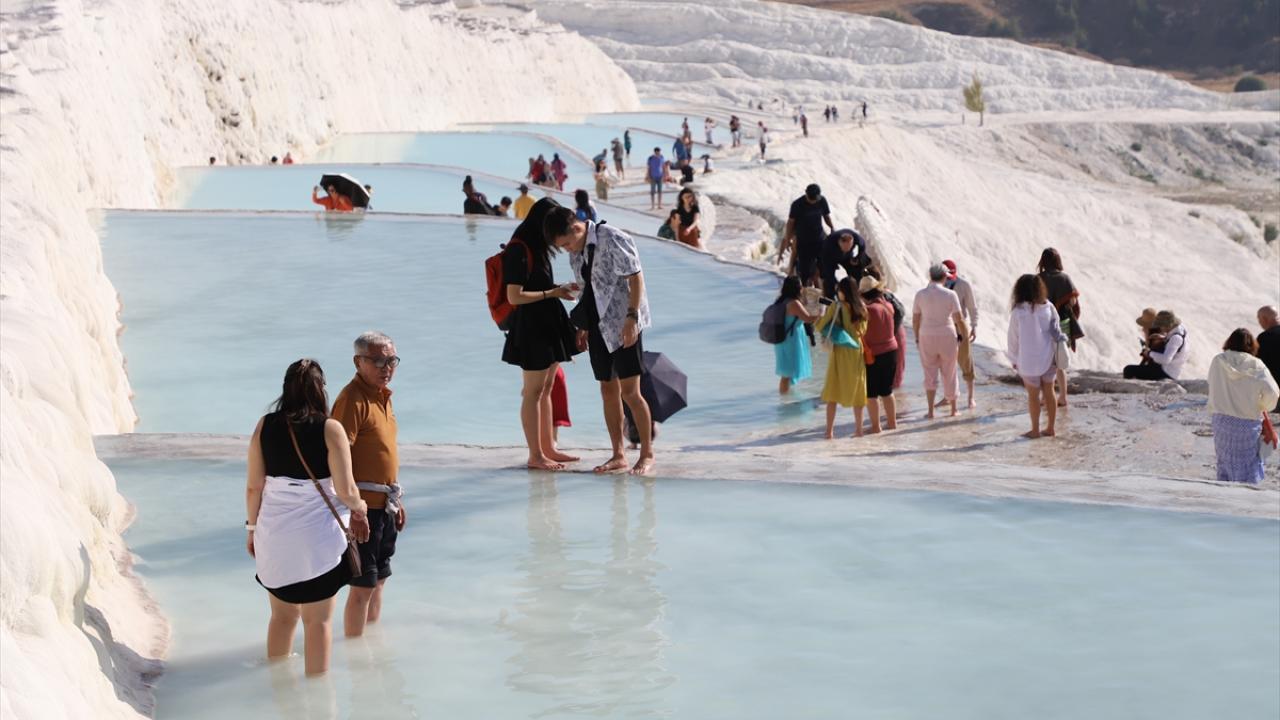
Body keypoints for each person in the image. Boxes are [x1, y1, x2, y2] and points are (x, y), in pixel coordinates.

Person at [245, 359, 371, 676]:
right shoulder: (330, 428)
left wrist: (252, 530)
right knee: (318, 623)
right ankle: (319, 700)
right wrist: (361, 507)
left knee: (282, 618)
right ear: (320, 390)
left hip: (274, 537)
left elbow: (253, 487)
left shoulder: (265, 425)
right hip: (320, 545)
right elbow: (346, 489)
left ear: (286, 389)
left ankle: (279, 691)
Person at [545, 206, 655, 475]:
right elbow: (586, 288)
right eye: (563, 248)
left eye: (568, 243)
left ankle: (647, 454)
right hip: (597, 327)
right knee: (607, 390)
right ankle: (618, 454)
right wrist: (583, 326)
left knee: (631, 393)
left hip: (623, 323)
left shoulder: (612, 237)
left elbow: (636, 277)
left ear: (577, 227)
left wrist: (631, 318)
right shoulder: (575, 253)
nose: (568, 250)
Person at [331, 332, 405, 638]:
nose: (385, 367)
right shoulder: (352, 399)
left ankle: (370, 648)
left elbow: (382, 455)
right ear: (357, 362)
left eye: (390, 360)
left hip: (384, 507)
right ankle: (353, 656)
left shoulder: (383, 396)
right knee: (362, 587)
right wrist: (355, 512)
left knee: (379, 581)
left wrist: (396, 500)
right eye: (376, 360)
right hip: (362, 513)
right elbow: (337, 457)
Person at [501, 198, 581, 471]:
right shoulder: (519, 248)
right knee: (533, 391)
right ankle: (535, 454)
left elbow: (537, 285)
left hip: (547, 320)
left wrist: (558, 288)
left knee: (546, 388)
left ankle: (549, 448)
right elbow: (514, 296)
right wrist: (552, 292)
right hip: (531, 325)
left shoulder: (537, 247)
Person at [1207, 328, 1280, 483]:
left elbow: (1212, 385)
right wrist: (1263, 405)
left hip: (1221, 419)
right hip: (1247, 422)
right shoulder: (1256, 364)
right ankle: (1247, 498)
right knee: (1248, 463)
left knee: (1224, 461)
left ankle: (1224, 491)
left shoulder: (1218, 360)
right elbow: (1273, 391)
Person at [1007, 275, 1065, 439]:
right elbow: (1057, 329)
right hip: (1048, 358)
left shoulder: (1018, 312)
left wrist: (1013, 358)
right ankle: (1051, 428)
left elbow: (1013, 337)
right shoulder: (1049, 307)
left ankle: (1034, 430)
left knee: (1033, 396)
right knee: (1049, 391)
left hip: (1028, 360)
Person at [815, 277, 868, 438]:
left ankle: (829, 432)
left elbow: (820, 326)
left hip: (840, 351)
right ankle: (859, 430)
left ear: (843, 291)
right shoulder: (863, 308)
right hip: (857, 350)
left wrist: (819, 314)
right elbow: (864, 331)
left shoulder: (836, 306)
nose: (838, 293)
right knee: (858, 390)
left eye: (839, 290)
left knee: (832, 390)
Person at [913, 263, 968, 418]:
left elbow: (916, 320)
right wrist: (963, 336)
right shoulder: (950, 294)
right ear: (944, 277)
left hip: (926, 334)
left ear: (930, 276)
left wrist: (917, 337)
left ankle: (930, 411)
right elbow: (959, 319)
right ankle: (954, 410)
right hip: (947, 334)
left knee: (929, 372)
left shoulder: (920, 294)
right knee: (950, 372)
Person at [1038, 248, 1081, 406]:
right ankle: (1063, 397)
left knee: (1045, 362)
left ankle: (1044, 397)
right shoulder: (1065, 278)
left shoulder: (1038, 279)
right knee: (1060, 362)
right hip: (1063, 323)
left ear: (1042, 261)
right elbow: (1074, 303)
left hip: (1043, 324)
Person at [859, 275, 899, 432]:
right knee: (887, 390)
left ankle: (876, 426)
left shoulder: (867, 311)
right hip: (892, 351)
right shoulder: (888, 306)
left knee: (872, 393)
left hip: (874, 354)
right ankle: (892, 422)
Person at [778, 184, 834, 287]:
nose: (813, 201)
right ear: (806, 194)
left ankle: (822, 293)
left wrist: (832, 227)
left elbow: (826, 216)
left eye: (815, 199)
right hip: (803, 242)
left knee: (823, 268)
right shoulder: (797, 204)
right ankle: (803, 292)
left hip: (819, 239)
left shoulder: (822, 201)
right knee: (805, 272)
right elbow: (790, 223)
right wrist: (788, 239)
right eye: (811, 198)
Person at [942, 259, 979, 408]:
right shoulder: (936, 286)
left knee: (966, 362)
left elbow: (972, 307)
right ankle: (947, 396)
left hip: (960, 326)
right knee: (945, 363)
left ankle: (971, 397)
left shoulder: (963, 285)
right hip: (944, 326)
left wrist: (974, 326)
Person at [774, 275, 820, 393]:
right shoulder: (794, 303)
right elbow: (808, 318)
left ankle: (786, 396)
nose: (802, 288)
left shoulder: (781, 300)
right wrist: (822, 312)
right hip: (791, 340)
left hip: (783, 339)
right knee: (787, 373)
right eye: (800, 286)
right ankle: (784, 401)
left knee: (787, 372)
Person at [1123, 311, 1188, 380]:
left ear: (1167, 325)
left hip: (1166, 372)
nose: (1160, 328)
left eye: (1161, 326)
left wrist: (1149, 353)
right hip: (1171, 369)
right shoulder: (1180, 330)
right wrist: (1165, 338)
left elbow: (1165, 360)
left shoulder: (1175, 338)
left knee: (1128, 370)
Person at [818, 228, 870, 299]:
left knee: (856, 271)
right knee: (829, 279)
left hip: (847, 257)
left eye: (849, 248)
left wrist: (858, 257)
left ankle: (857, 291)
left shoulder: (856, 237)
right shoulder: (829, 243)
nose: (846, 250)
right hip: (831, 259)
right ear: (839, 242)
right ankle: (832, 297)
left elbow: (862, 245)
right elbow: (824, 260)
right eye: (845, 248)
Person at [1257, 306, 1280, 411]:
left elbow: (1257, 367)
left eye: (1259, 319)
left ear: (1265, 319)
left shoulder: (1264, 338)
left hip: (1276, 393)